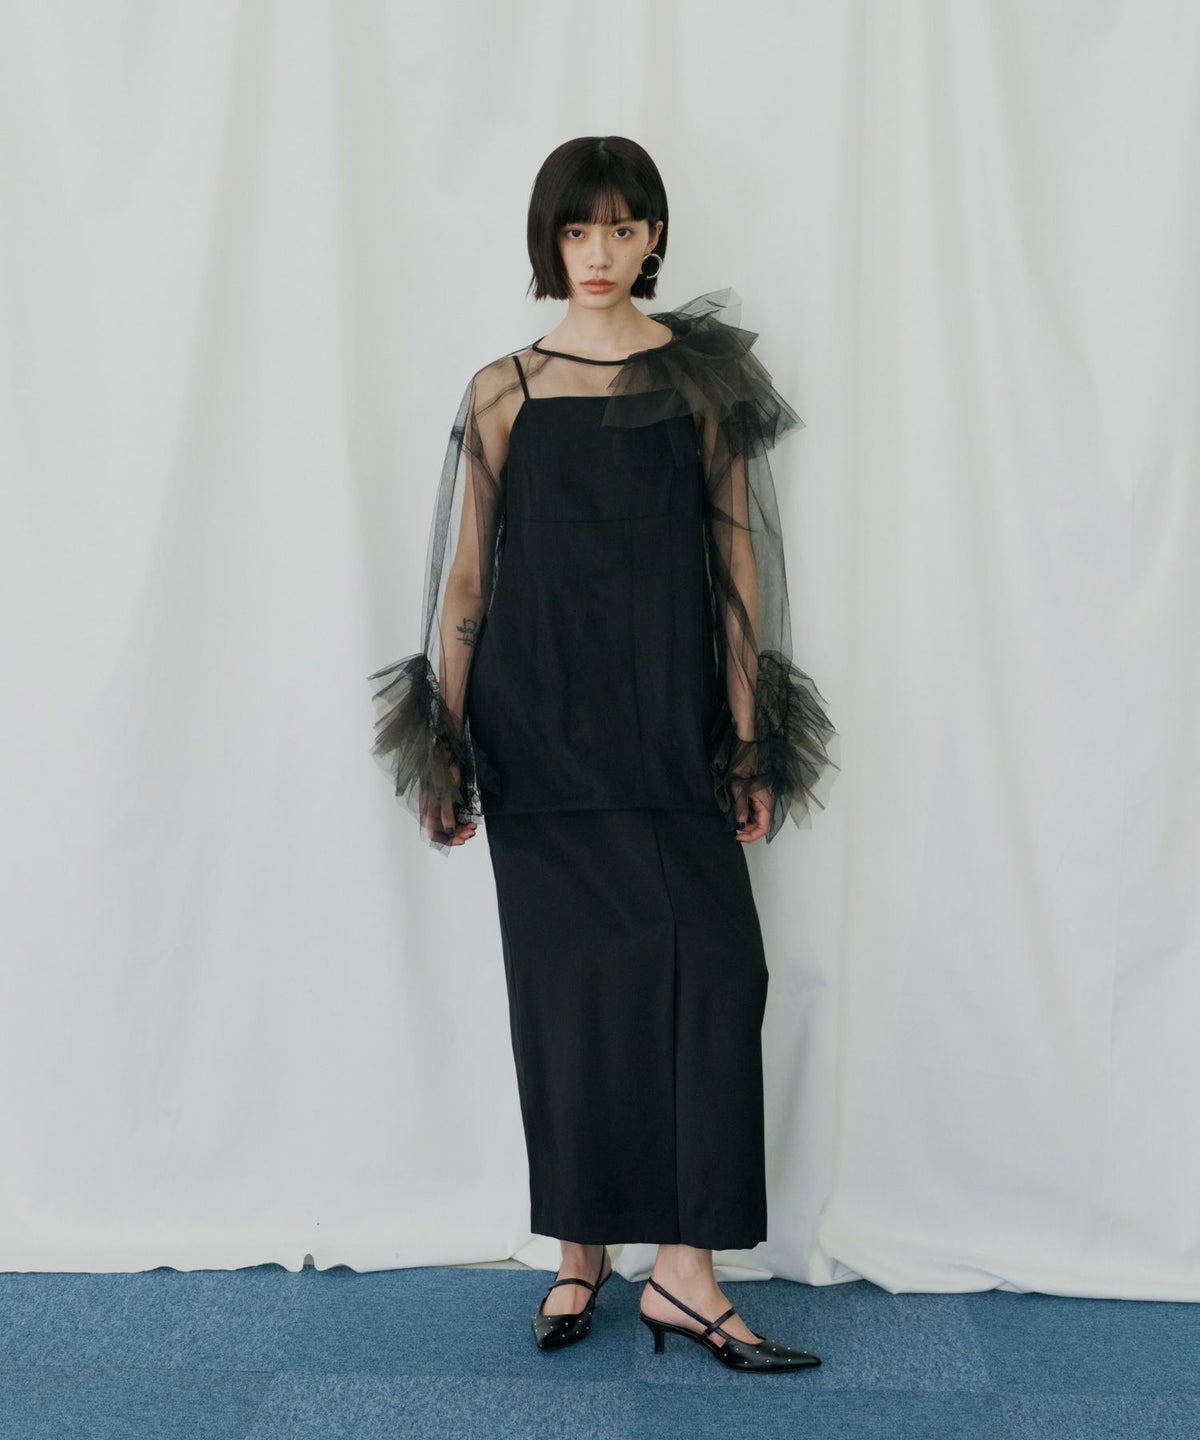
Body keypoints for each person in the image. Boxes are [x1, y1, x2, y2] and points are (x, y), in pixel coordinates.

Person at [367, 136, 839, 1373]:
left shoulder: (702, 380)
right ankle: (578, 1248)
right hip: (538, 730)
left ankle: (685, 1272)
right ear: (551, 240)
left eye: (624, 229)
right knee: (567, 999)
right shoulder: (503, 389)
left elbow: (737, 572)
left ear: (655, 239)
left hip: (671, 728)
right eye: (579, 230)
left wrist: (747, 738)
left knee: (717, 977)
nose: (600, 252)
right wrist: (444, 744)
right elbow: (467, 584)